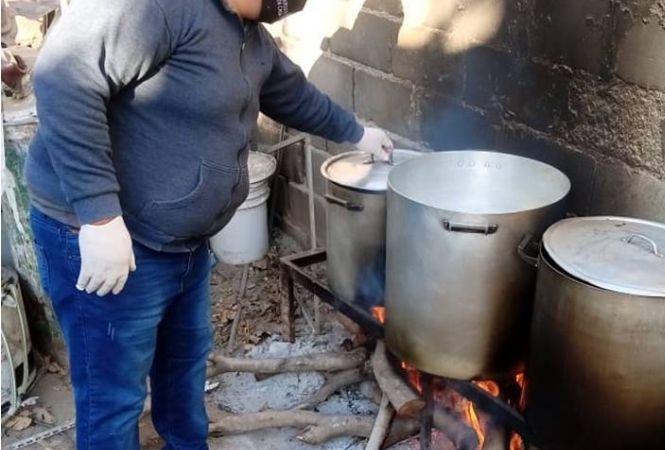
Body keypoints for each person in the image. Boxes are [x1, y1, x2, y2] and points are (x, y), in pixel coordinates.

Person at [24, 0, 393, 448]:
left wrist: (356, 133)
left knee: (183, 370)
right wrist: (99, 214)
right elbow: (64, 77)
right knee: (114, 398)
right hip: (109, 238)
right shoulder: (158, 7)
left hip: (183, 243)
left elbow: (290, 93)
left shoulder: (249, 34)